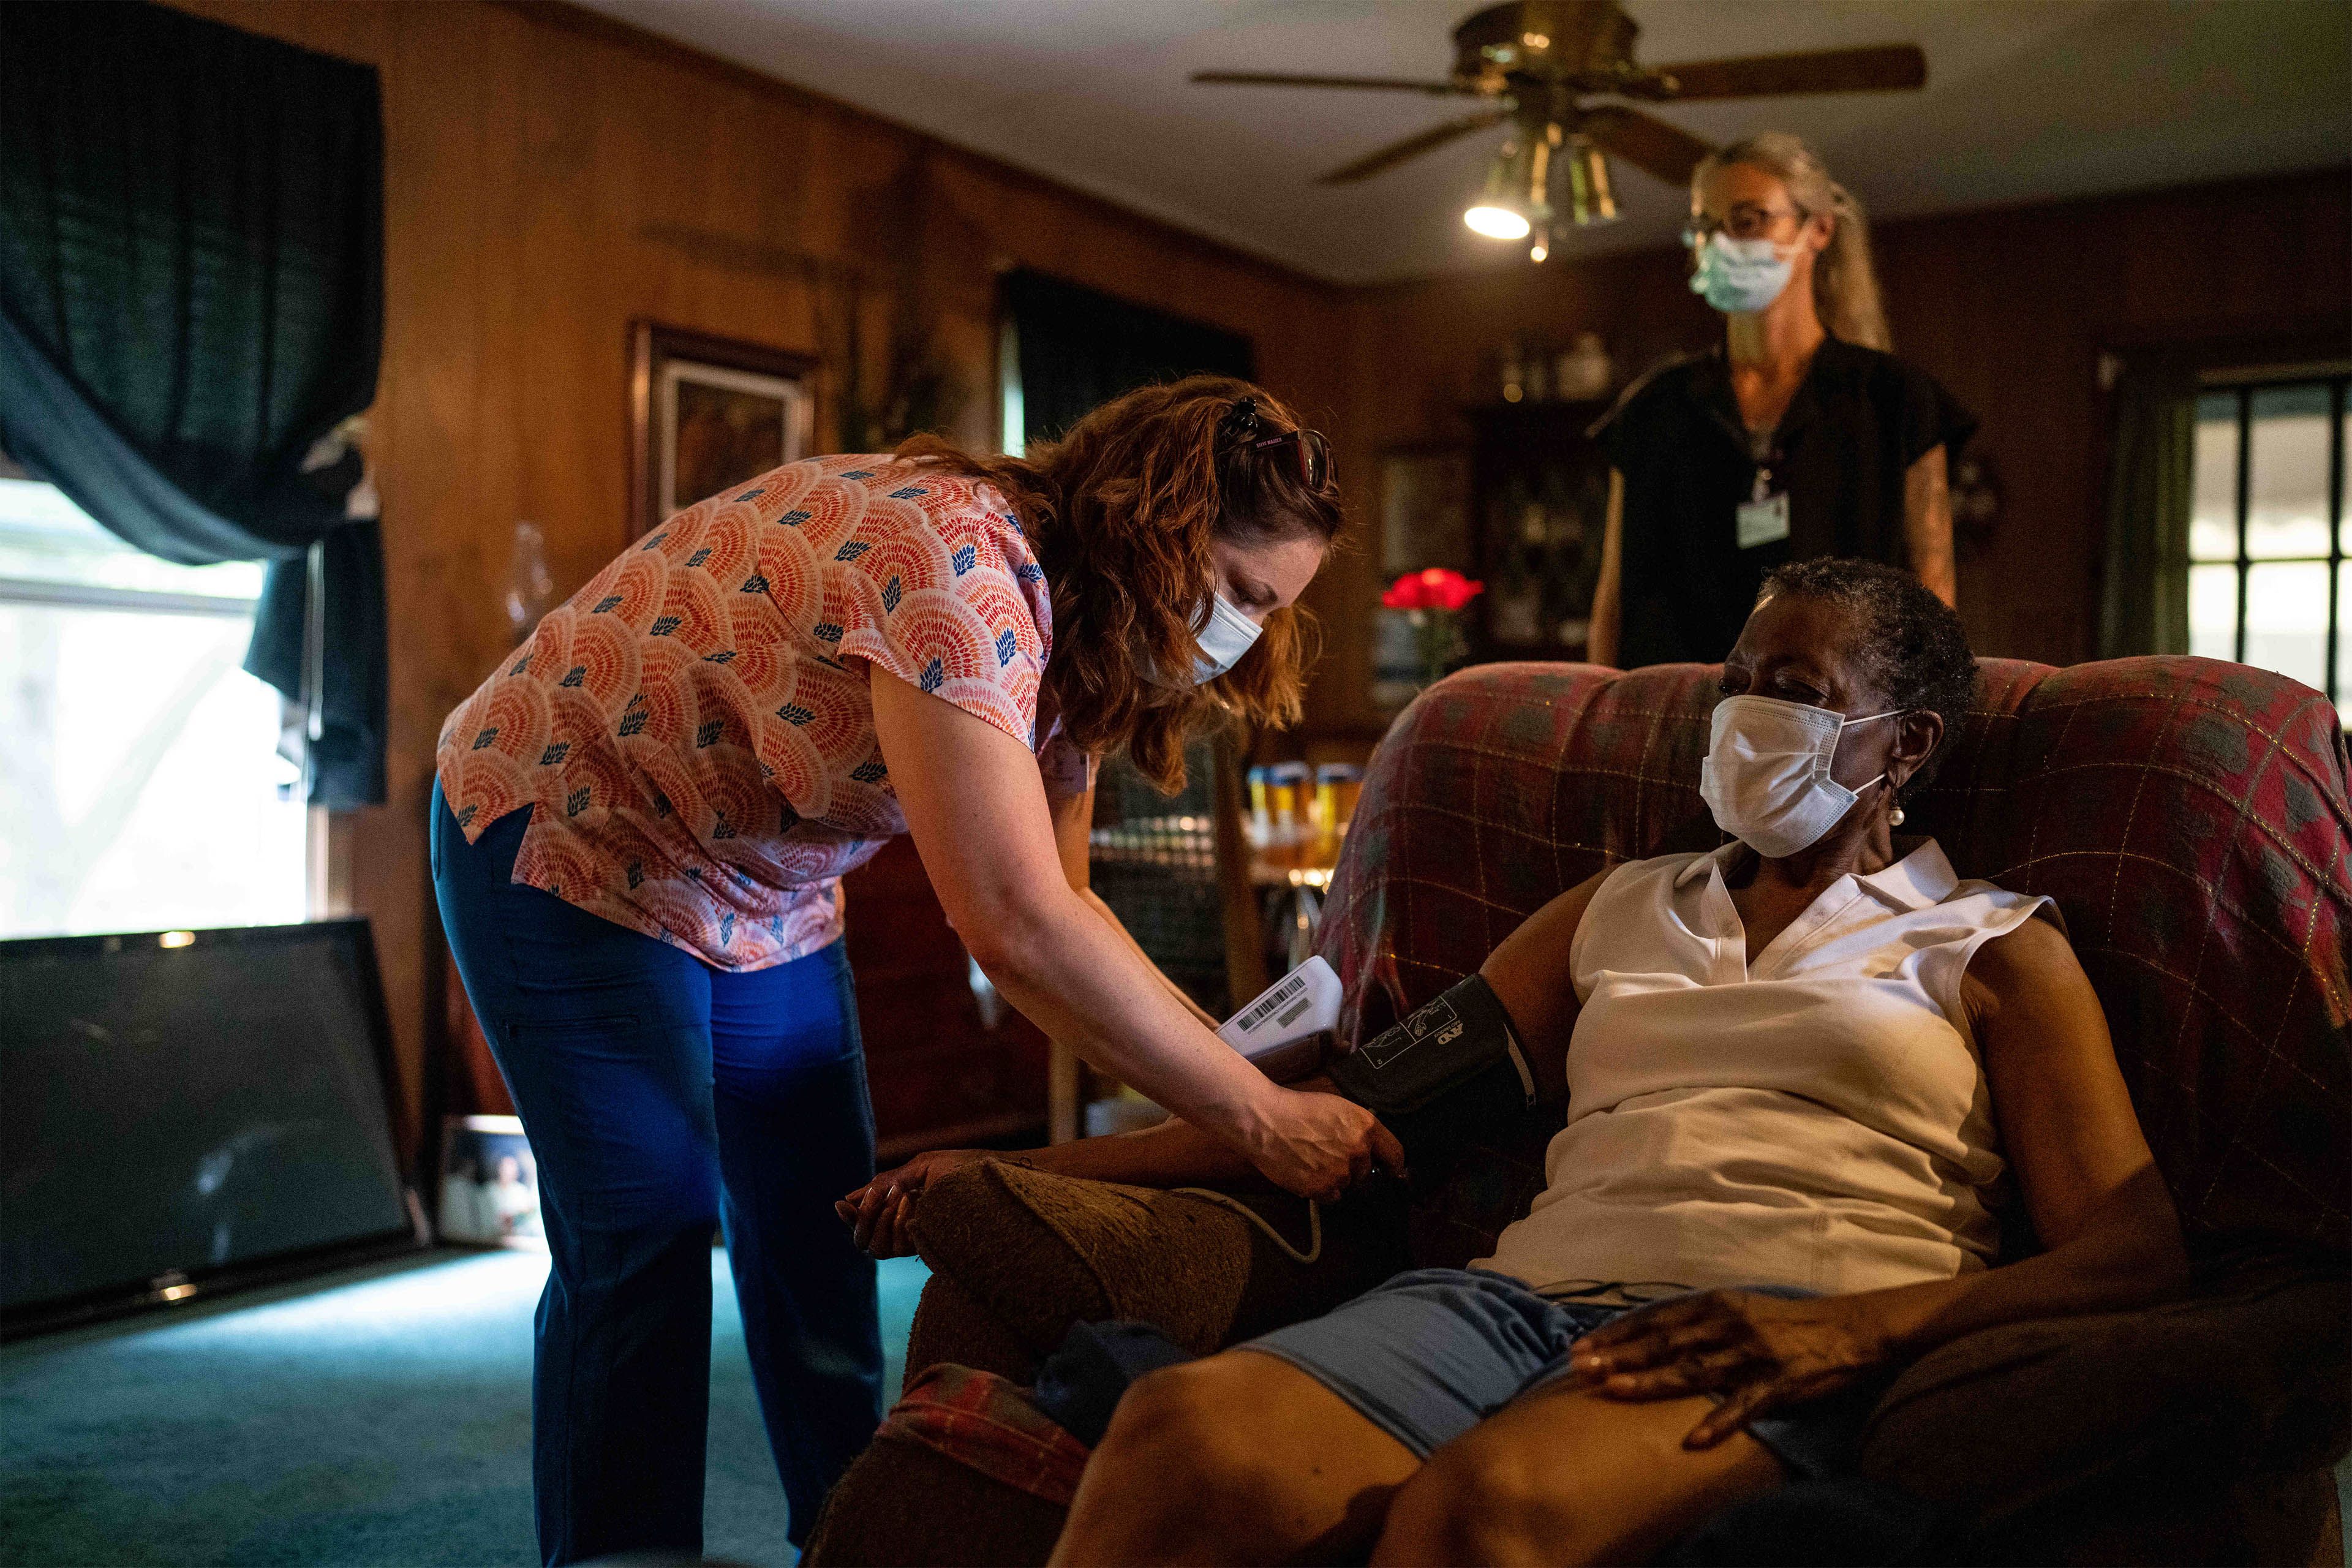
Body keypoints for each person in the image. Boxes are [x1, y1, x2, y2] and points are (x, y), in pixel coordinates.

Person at [845, 559, 2187, 1568]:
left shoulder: (1991, 943)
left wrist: (1851, 1328)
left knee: (1481, 1513)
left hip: (1768, 1324)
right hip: (1513, 1302)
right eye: (1740, 681)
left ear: (1908, 745)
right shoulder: (1622, 905)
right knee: (1175, 1436)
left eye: (1799, 695)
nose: (1746, 718)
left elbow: (2130, 1252)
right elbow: (1340, 1111)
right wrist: (1019, 1163)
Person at [431, 376, 1401, 1566]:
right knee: (648, 1238)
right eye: (1244, 593)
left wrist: (1229, 1048)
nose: (1242, 634)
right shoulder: (961, 567)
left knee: (817, 1228)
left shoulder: (1088, 621)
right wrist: (1255, 1115)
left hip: (760, 877)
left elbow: (1069, 894)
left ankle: (851, 1542)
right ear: (1161, 526)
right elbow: (1014, 922)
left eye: (1273, 609)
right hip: (571, 823)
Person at [1588, 133, 1975, 669]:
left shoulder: (1897, 401)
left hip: (1839, 719)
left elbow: (1934, 594)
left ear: (1818, 229)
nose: (1723, 241)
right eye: (1707, 226)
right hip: (1681, 715)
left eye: (1748, 220)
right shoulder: (1653, 408)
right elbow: (1613, 602)